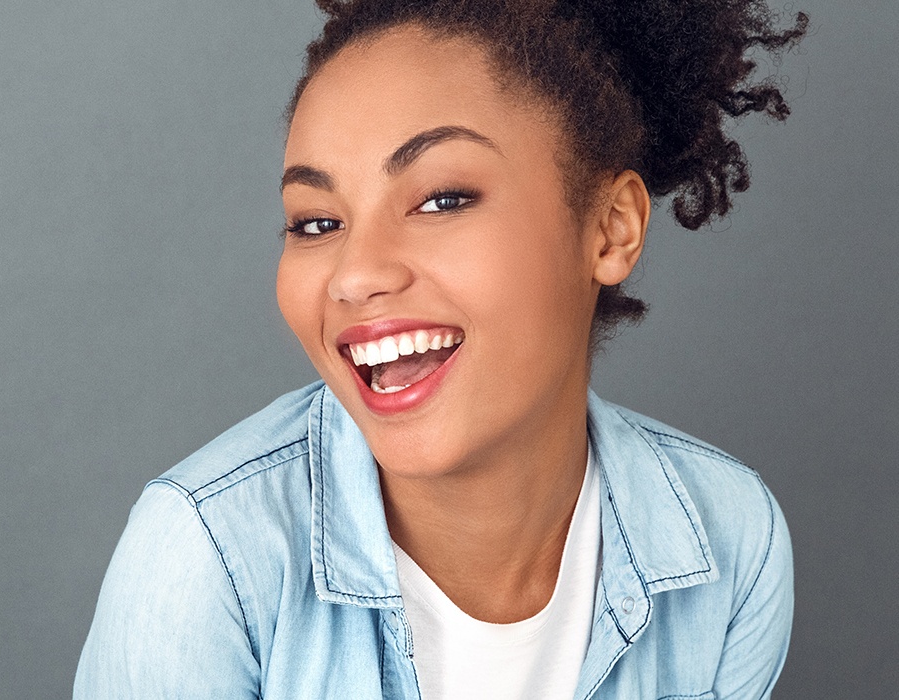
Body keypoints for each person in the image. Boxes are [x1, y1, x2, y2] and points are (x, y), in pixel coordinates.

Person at [75, 1, 807, 697]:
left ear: (611, 228)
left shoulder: (728, 542)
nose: (356, 274)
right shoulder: (207, 558)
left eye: (442, 199)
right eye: (317, 223)